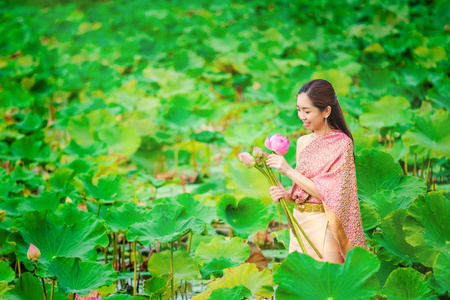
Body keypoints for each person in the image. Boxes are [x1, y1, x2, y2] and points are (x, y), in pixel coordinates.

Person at [266, 79, 366, 264]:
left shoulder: (342, 143)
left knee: (327, 285)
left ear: (326, 111)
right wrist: (286, 194)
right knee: (301, 287)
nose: (302, 116)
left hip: (325, 224)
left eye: (307, 111)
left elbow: (328, 194)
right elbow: (303, 192)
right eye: (298, 110)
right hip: (300, 223)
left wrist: (287, 170)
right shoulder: (303, 142)